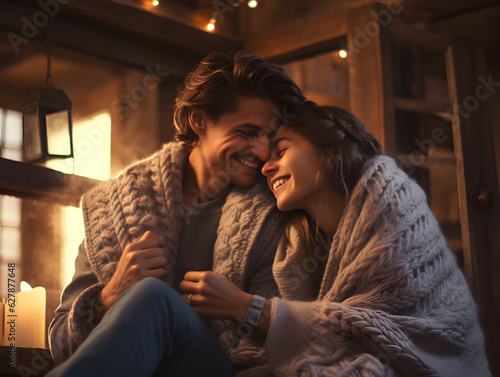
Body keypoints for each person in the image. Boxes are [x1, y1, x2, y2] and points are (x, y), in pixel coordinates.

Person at [181, 101, 491, 376]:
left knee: (159, 307)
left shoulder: (393, 206)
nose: (266, 167)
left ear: (328, 147)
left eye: (283, 150)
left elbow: (378, 335)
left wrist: (249, 308)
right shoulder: (296, 247)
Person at [47, 51, 304, 376]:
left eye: (270, 135)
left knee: (153, 296)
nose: (263, 151)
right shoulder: (112, 209)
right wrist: (109, 296)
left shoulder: (278, 212)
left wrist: (243, 306)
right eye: (247, 132)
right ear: (198, 121)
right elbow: (60, 346)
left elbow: (292, 341)